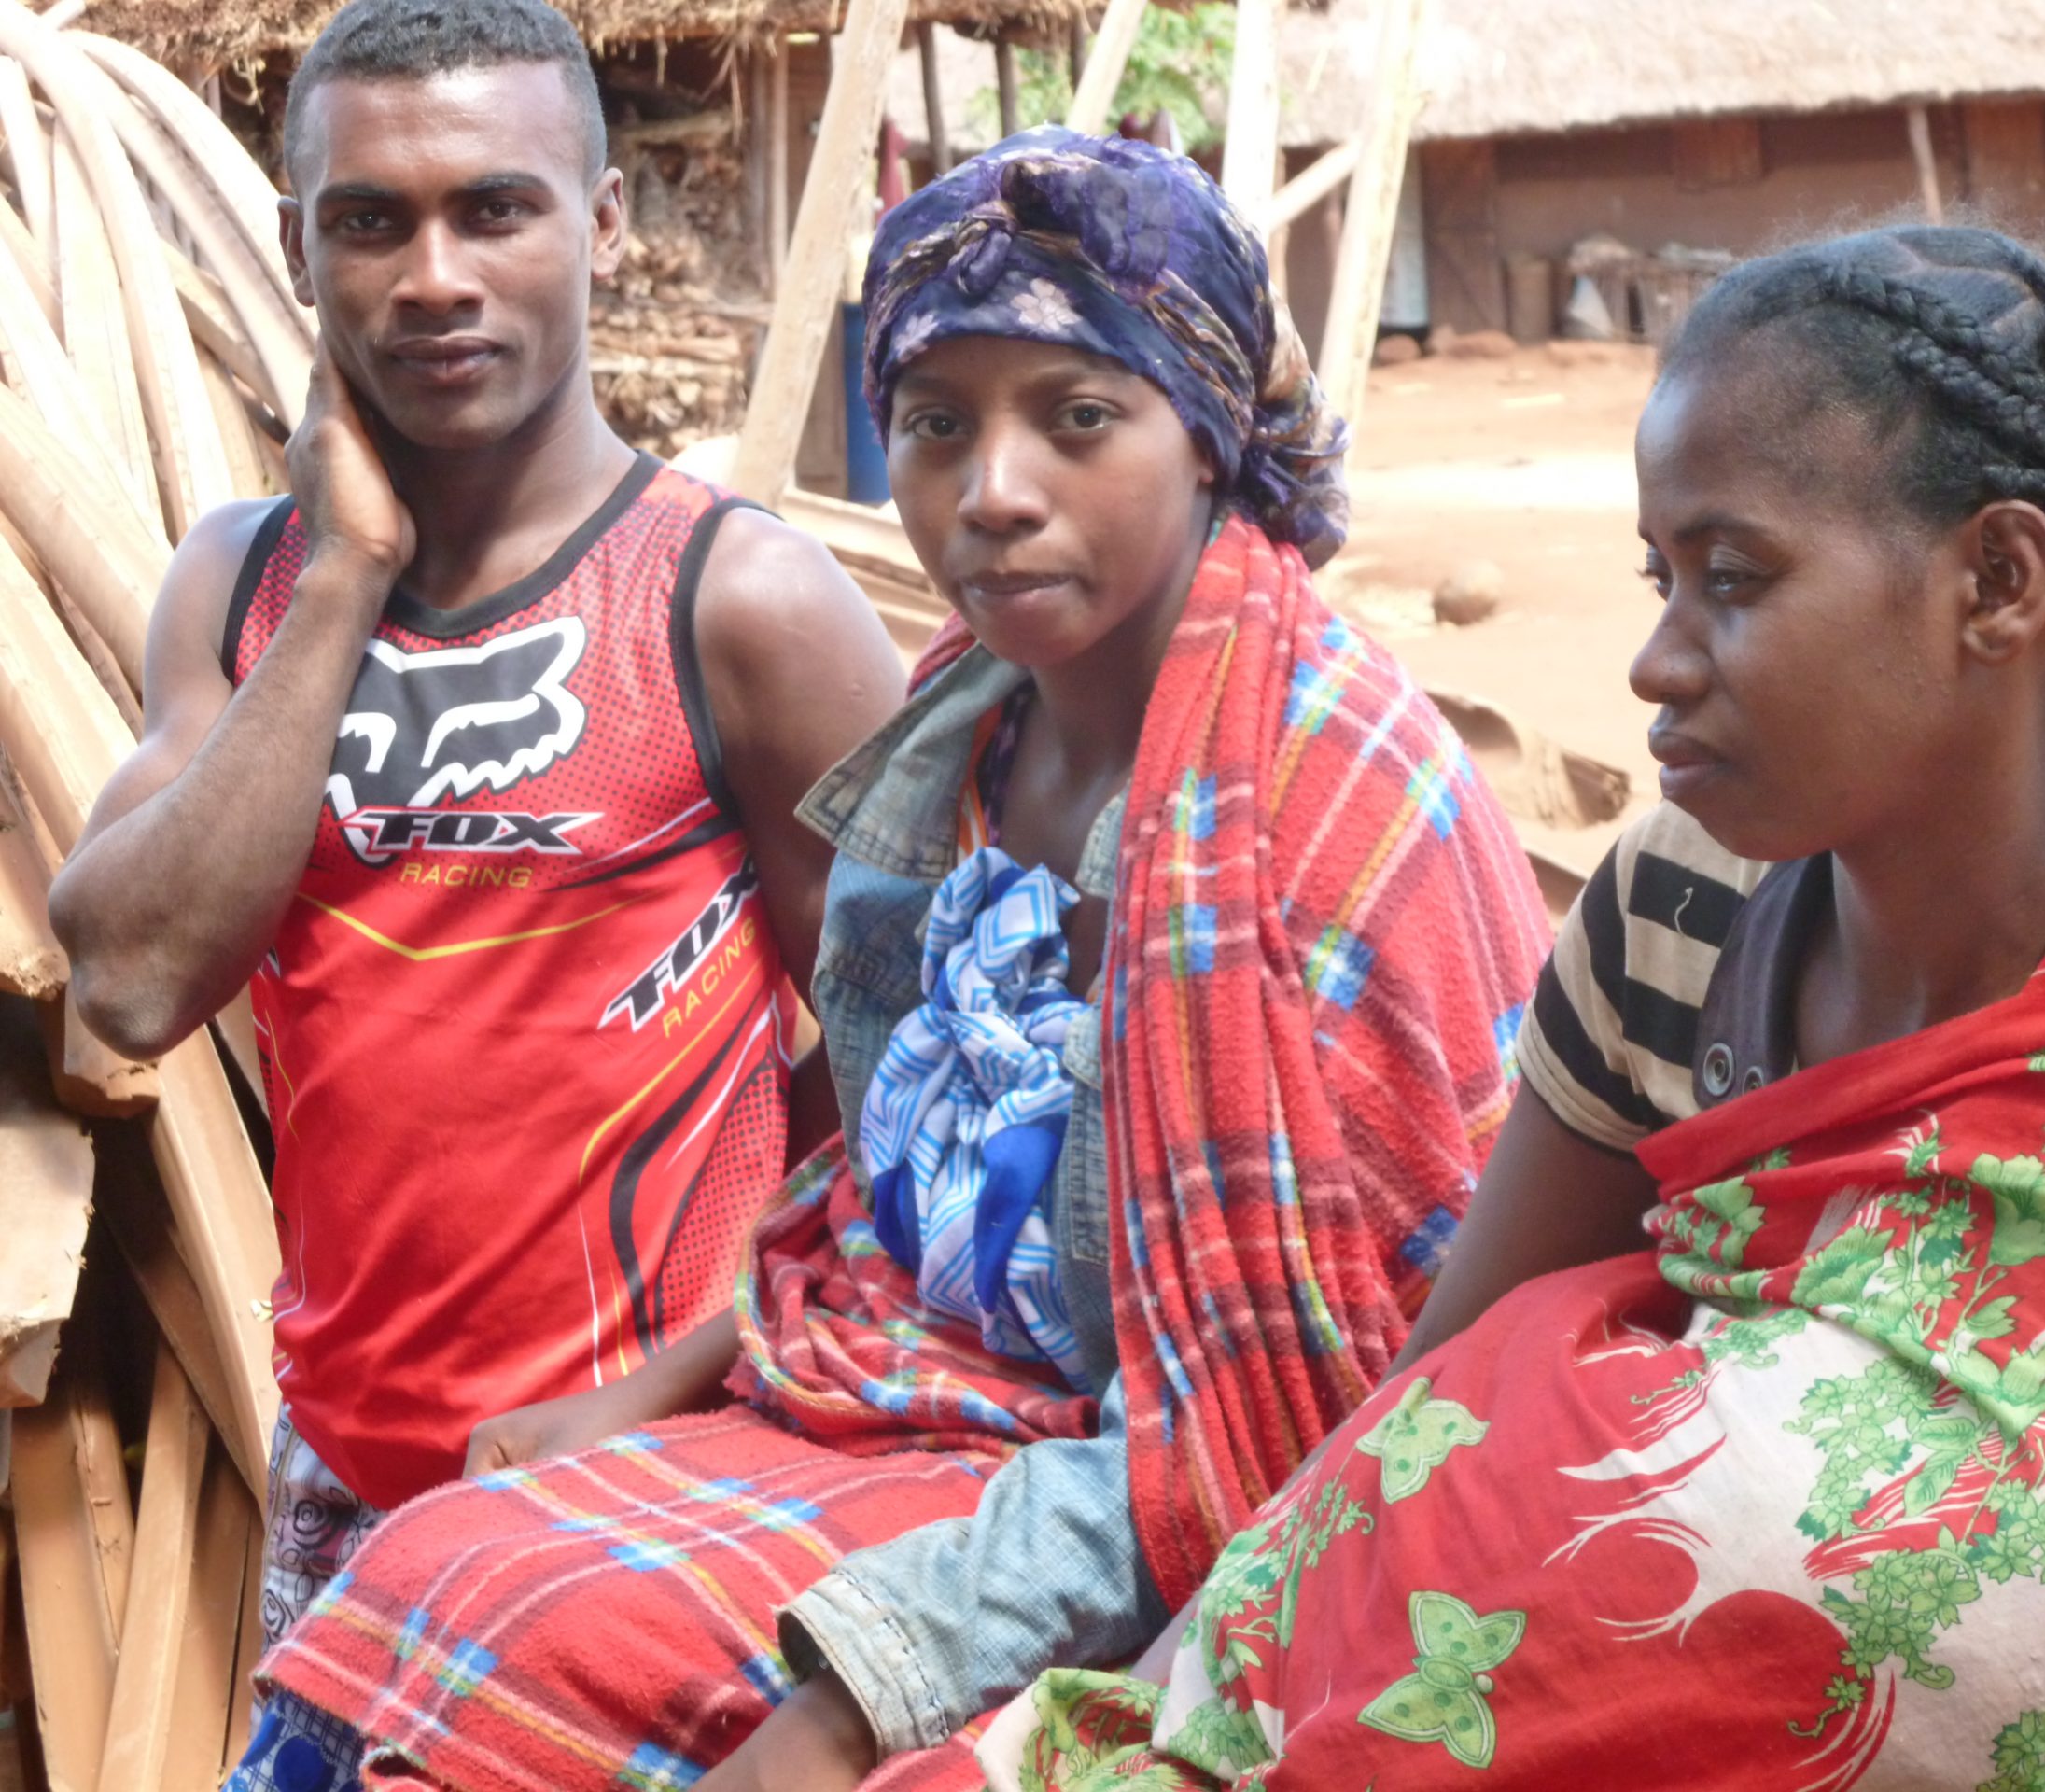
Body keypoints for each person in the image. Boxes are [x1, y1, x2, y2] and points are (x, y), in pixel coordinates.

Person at [225, 128, 1551, 1792]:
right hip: (897, 1401)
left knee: (555, 1651)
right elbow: (876, 1178)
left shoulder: (1332, 803)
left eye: (1079, 418)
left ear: (1208, 435)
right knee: (414, 1586)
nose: (993, 491)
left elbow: (1328, 1403)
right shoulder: (958, 739)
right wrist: (646, 1392)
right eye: (935, 425)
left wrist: (861, 1689)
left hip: (1178, 1482)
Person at [980, 226, 2045, 1791]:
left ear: (1998, 582)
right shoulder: (1679, 910)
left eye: (1734, 579)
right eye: (1663, 579)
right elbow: (1423, 1428)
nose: (1657, 662)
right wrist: (1178, 1705)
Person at [46, 0, 905, 1647]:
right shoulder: (242, 587)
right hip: (340, 1479)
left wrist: (673, 1383)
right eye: (372, 222)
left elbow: (918, 1082)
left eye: (495, 209)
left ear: (603, 222)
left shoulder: (736, 604)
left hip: (652, 1486)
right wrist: (347, 575)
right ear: (297, 248)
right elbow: (134, 983)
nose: (434, 276)